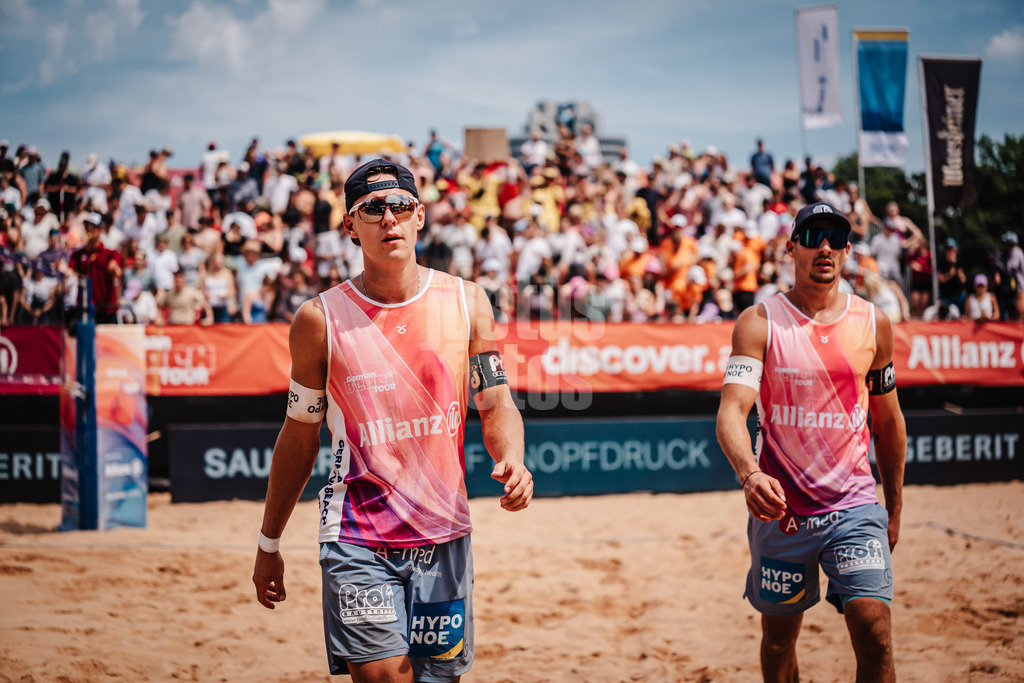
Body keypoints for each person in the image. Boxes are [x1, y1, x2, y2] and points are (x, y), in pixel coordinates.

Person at [252, 158, 533, 682]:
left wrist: (512, 458)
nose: (389, 218)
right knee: (386, 677)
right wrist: (269, 544)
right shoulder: (319, 320)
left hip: (443, 530)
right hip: (356, 536)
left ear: (419, 216)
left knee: (434, 678)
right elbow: (298, 434)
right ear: (350, 226)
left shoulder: (467, 301)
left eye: (400, 205)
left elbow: (495, 404)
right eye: (372, 209)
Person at [716, 201, 907, 682]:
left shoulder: (874, 323)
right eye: (814, 235)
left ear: (846, 252)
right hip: (783, 511)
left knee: (875, 633)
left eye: (836, 238)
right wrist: (750, 473)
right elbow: (732, 412)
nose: (825, 246)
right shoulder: (759, 322)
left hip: (855, 504)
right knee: (780, 640)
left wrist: (895, 506)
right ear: (791, 247)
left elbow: (888, 419)